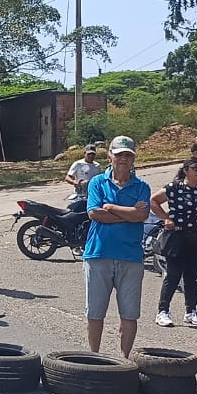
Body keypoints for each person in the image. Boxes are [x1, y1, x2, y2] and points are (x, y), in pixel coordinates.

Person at [83, 136, 151, 357]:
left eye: (128, 155)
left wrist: (112, 207)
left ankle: (124, 360)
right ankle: (93, 356)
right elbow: (95, 213)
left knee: (129, 314)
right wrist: (129, 213)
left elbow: (142, 215)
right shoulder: (97, 182)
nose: (123, 159)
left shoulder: (142, 186)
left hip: (130, 257)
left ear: (133, 160)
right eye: (119, 154)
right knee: (95, 312)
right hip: (98, 254)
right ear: (110, 156)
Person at [150, 159, 197, 328]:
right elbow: (153, 201)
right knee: (173, 275)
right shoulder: (174, 187)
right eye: (195, 168)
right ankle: (163, 311)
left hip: (195, 237)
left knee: (191, 277)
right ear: (186, 171)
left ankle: (191, 311)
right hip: (176, 236)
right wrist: (166, 218)